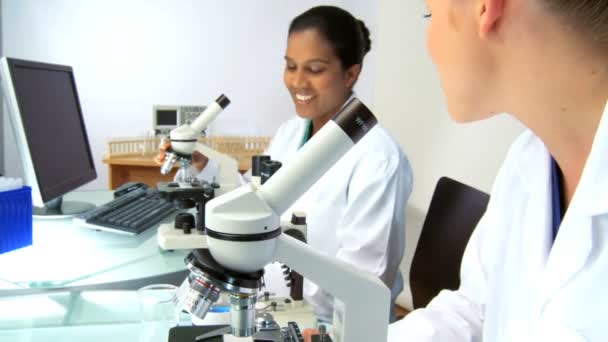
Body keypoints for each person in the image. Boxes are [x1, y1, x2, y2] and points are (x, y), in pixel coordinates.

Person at [156, 6, 413, 323]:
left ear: (351, 73)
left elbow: (365, 278)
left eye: (315, 69)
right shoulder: (291, 131)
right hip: (272, 301)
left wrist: (278, 301)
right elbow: (252, 201)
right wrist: (201, 165)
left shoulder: (378, 158)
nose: (298, 82)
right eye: (291, 67)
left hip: (332, 322)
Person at [388, 0, 608, 340]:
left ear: (485, 7)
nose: (429, 43)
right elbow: (475, 311)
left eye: (430, 13)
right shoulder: (528, 163)